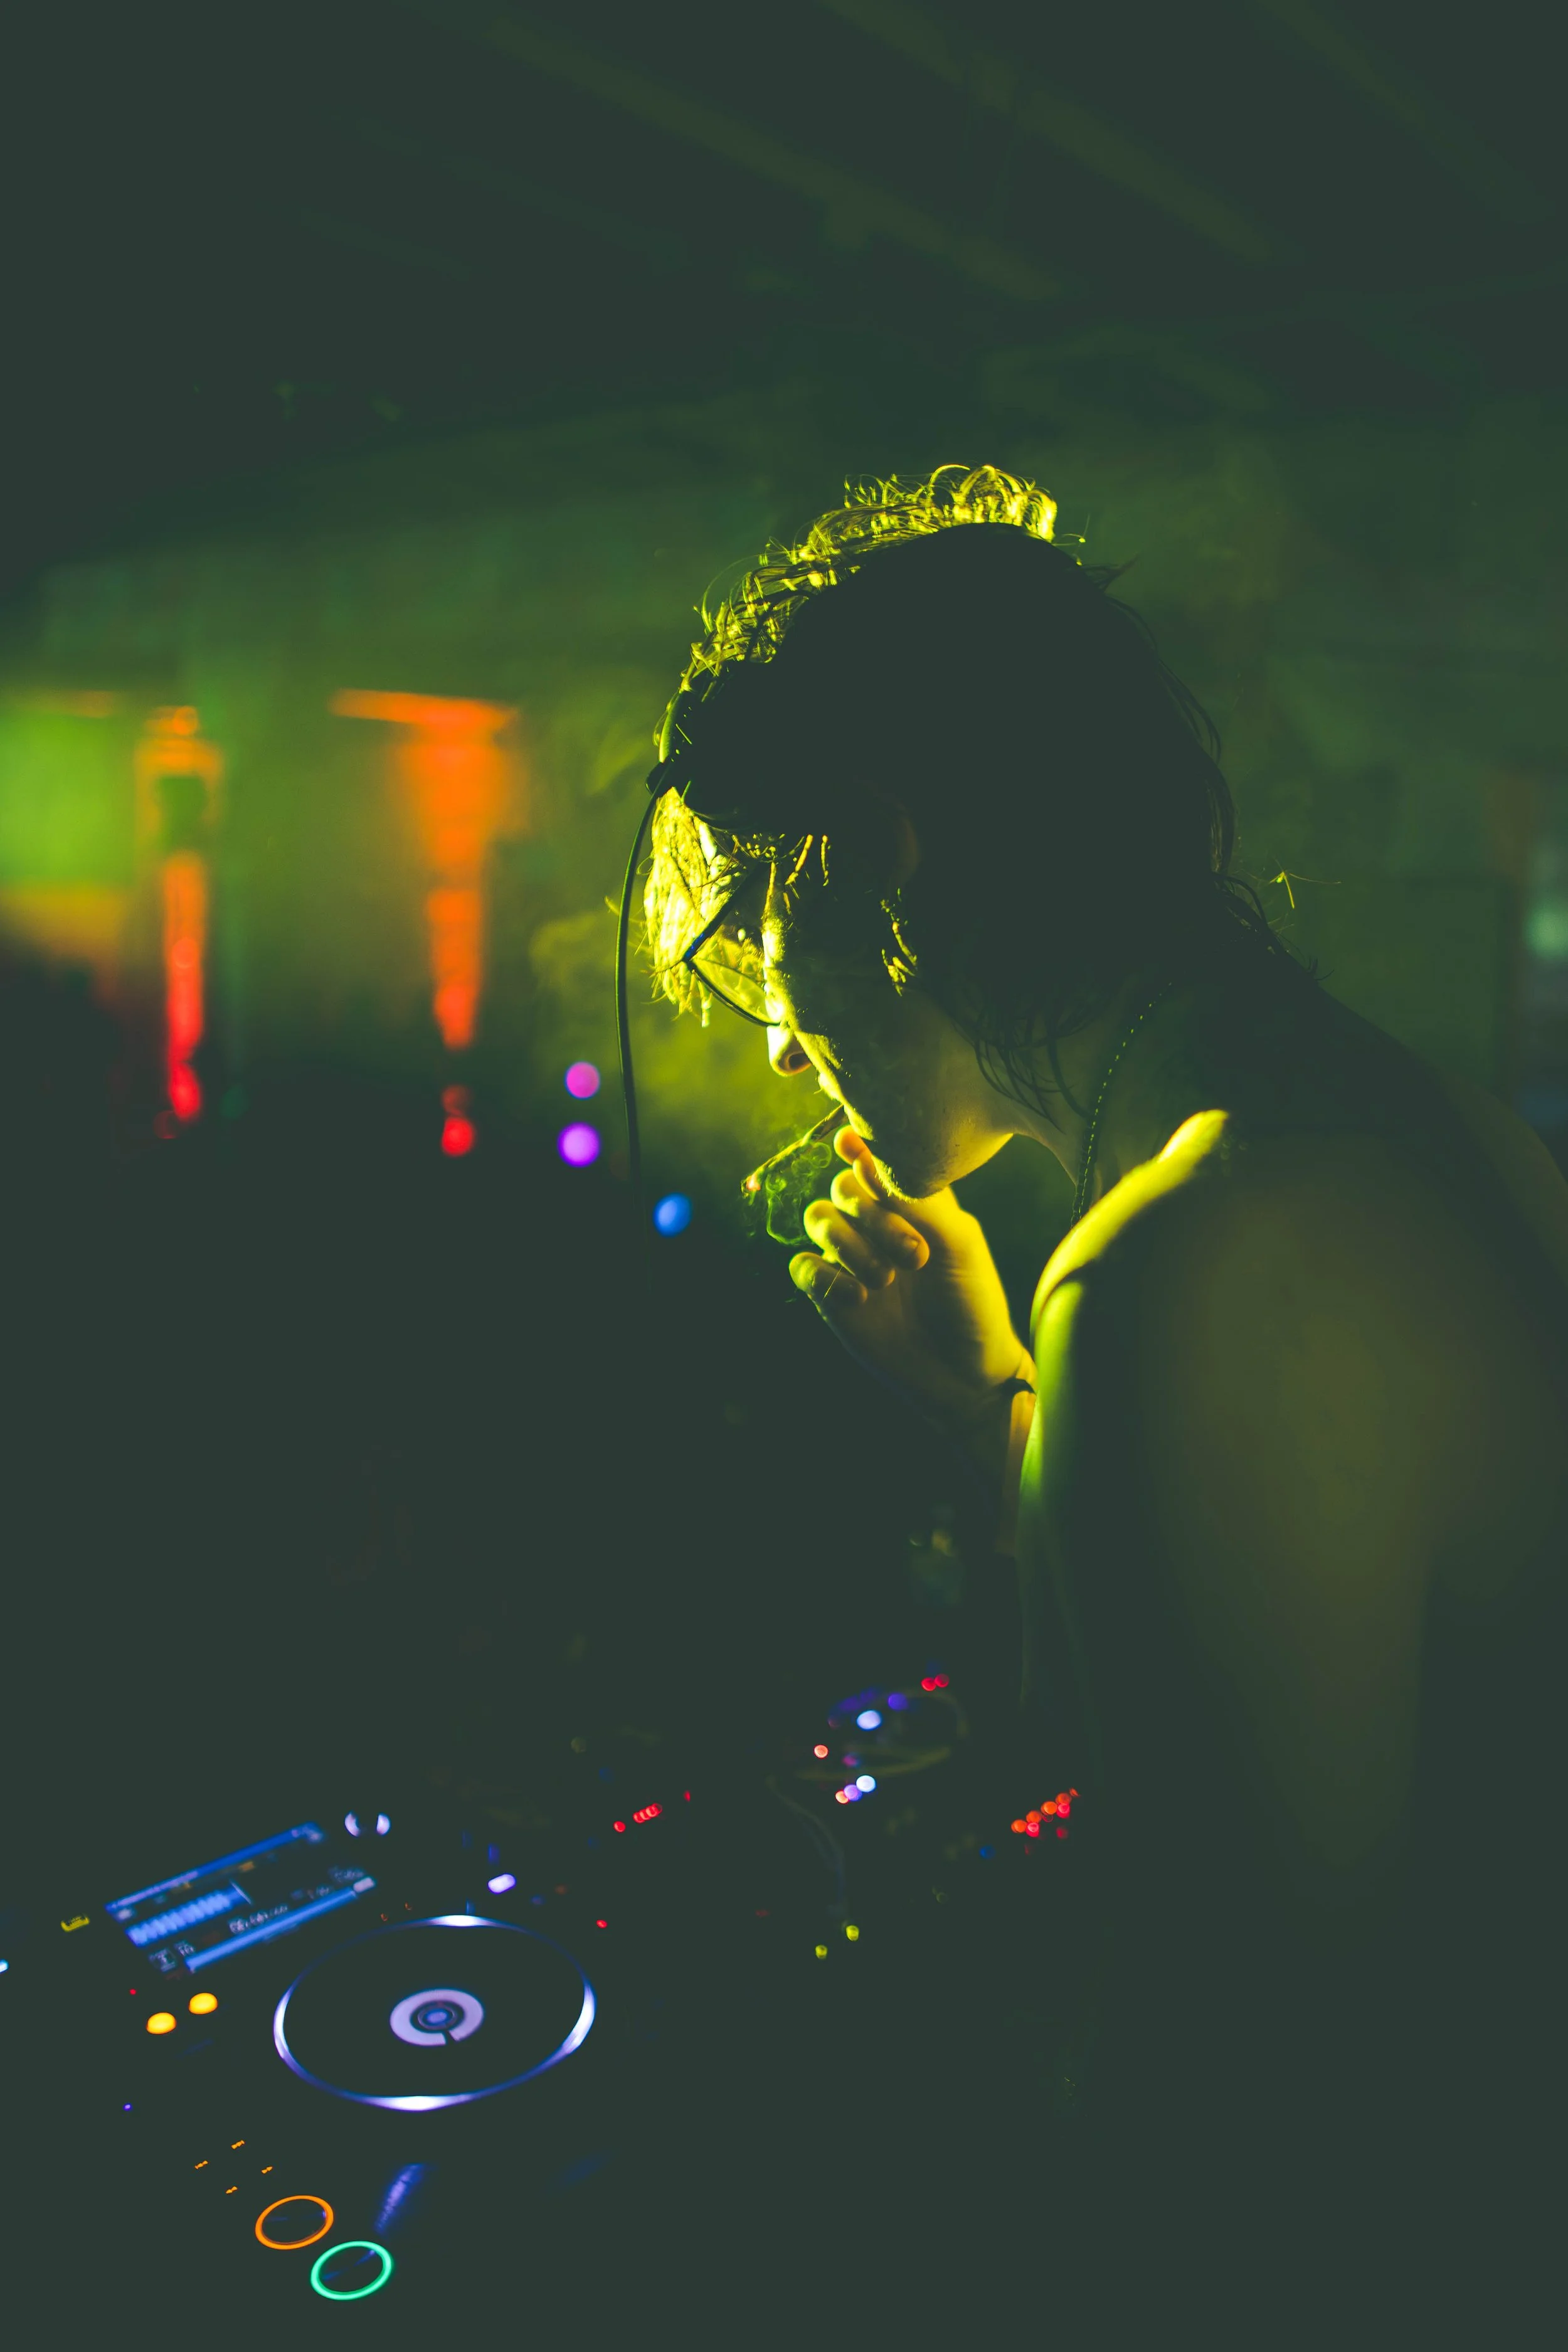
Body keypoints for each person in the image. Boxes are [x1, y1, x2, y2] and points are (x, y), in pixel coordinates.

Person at [641, 467, 1566, 2326]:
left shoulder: (1176, 1266)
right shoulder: (1437, 1126)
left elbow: (1231, 2087)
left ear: (880, 853)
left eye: (760, 929)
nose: (775, 1035)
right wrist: (996, 1401)